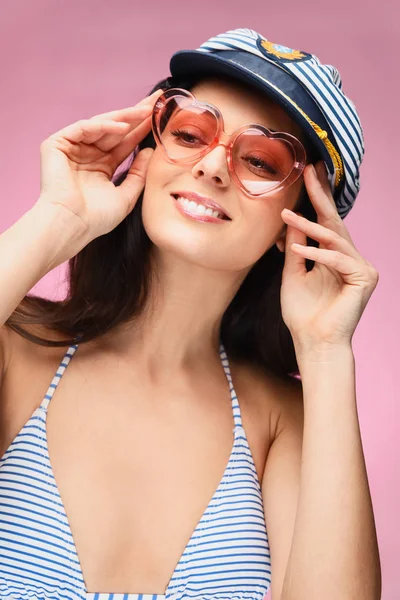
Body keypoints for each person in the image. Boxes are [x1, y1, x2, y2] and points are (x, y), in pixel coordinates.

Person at [0, 28, 381, 600]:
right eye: (190, 133)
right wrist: (54, 219)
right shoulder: (14, 347)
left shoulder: (283, 422)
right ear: (149, 148)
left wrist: (327, 352)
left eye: (258, 159)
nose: (212, 167)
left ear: (303, 221)